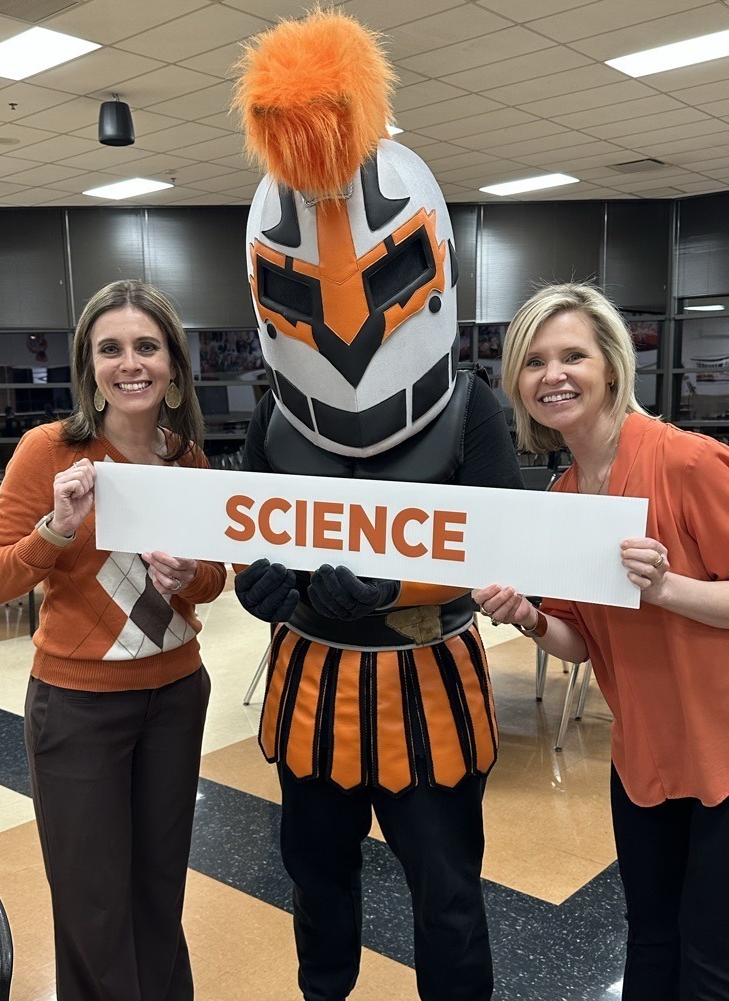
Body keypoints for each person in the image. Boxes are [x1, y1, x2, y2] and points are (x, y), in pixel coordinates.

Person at [231, 11, 523, 1000]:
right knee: (317, 889)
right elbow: (248, 533)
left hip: (427, 683)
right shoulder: (271, 422)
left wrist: (397, 583)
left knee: (449, 899)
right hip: (309, 683)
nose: (348, 322)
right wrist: (259, 582)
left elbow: (501, 552)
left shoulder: (473, 410)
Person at [472, 283, 729, 1001]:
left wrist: (667, 588)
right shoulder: (564, 497)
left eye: (572, 356)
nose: (552, 375)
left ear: (611, 367)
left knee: (710, 960)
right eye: (534, 362)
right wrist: (528, 618)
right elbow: (581, 642)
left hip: (721, 750)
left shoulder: (688, 463)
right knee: (649, 939)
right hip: (645, 753)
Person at [0, 280, 227, 1001]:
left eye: (147, 346)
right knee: (93, 904)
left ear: (173, 366)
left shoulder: (187, 459)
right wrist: (56, 529)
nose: (130, 363)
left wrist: (189, 576)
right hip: (78, 708)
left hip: (176, 698)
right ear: (89, 367)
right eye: (110, 349)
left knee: (159, 888)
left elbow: (215, 578)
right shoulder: (49, 452)